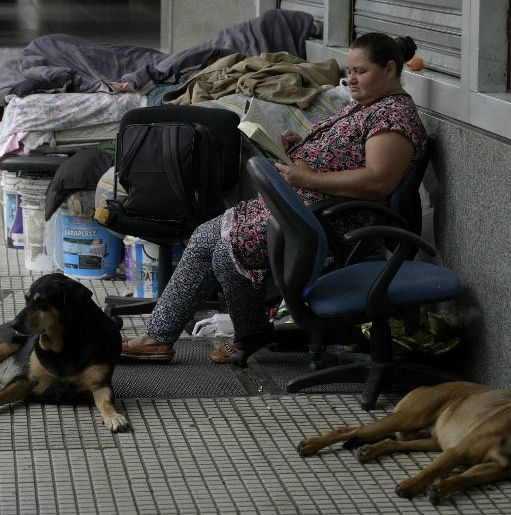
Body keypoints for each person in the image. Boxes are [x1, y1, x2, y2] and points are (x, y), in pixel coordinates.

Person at [121, 32, 427, 364]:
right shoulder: (366, 105)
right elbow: (344, 154)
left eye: (361, 71)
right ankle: (158, 337)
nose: (351, 80)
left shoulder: (393, 116)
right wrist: (298, 146)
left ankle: (250, 333)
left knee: (227, 247)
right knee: (205, 237)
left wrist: (310, 176)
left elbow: (378, 181)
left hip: (333, 219)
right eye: (348, 71)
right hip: (304, 206)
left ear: (390, 69)